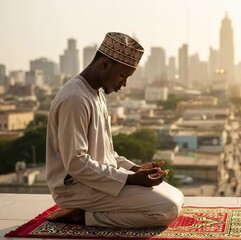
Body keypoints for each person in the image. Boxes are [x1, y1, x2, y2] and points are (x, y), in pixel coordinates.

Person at [45, 32, 184, 228]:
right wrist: (130, 179)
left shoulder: (96, 94)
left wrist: (136, 170)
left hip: (100, 180)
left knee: (177, 196)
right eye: (122, 75)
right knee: (167, 209)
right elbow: (76, 163)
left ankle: (90, 212)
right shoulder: (75, 98)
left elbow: (107, 154)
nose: (124, 84)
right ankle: (83, 216)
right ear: (104, 64)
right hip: (75, 188)